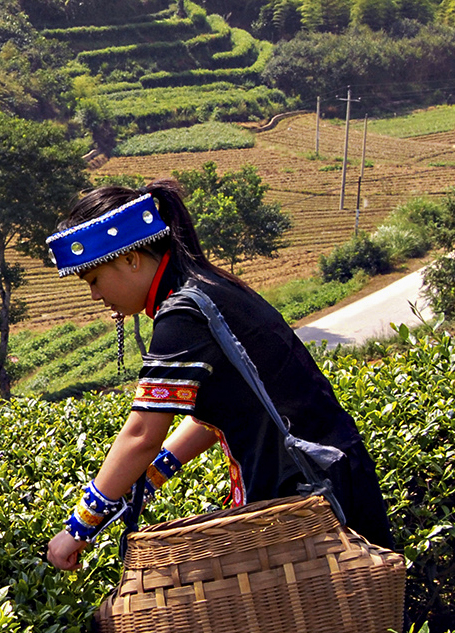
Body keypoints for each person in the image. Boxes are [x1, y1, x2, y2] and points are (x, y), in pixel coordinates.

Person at [42, 181, 394, 571]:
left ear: (131, 259)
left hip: (305, 505)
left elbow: (141, 434)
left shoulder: (182, 315)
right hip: (334, 482)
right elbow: (226, 408)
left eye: (94, 280)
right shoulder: (211, 290)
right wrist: (154, 474)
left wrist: (79, 527)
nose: (95, 295)